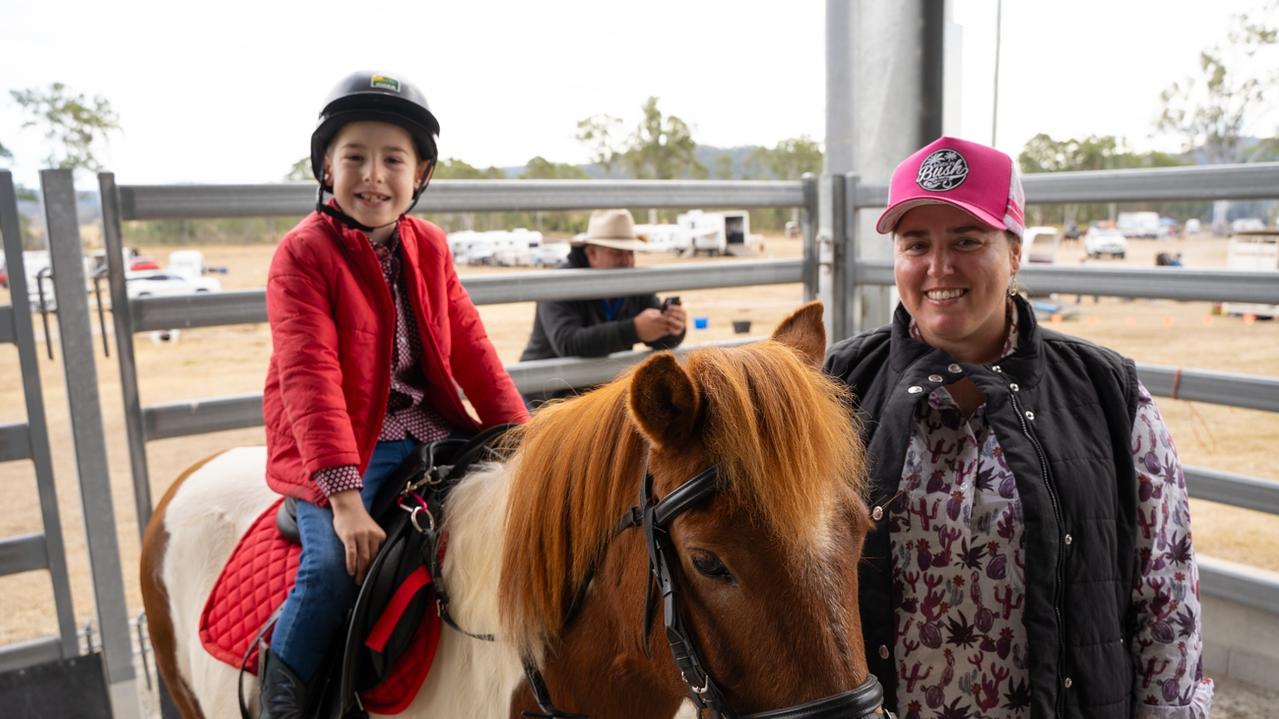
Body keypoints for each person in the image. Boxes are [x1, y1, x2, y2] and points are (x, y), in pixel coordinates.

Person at [823, 136, 1213, 718]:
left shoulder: (1109, 393)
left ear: (1015, 251)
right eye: (915, 244)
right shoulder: (839, 385)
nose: (938, 267)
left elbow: (1165, 594)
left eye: (967, 240)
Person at [259, 70, 528, 717]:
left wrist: (525, 437)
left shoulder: (429, 246)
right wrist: (345, 499)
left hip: (427, 428)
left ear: (420, 174)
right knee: (328, 575)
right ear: (326, 166)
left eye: (392, 159)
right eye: (355, 156)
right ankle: (283, 700)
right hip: (341, 447)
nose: (372, 175)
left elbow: (470, 346)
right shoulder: (302, 255)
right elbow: (310, 378)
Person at [519, 208, 687, 402]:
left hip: (598, 394)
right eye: (616, 253)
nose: (627, 260)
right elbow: (568, 342)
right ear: (591, 253)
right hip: (547, 398)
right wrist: (634, 330)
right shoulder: (558, 283)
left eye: (630, 252)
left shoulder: (633, 282)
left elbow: (657, 338)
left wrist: (673, 327)